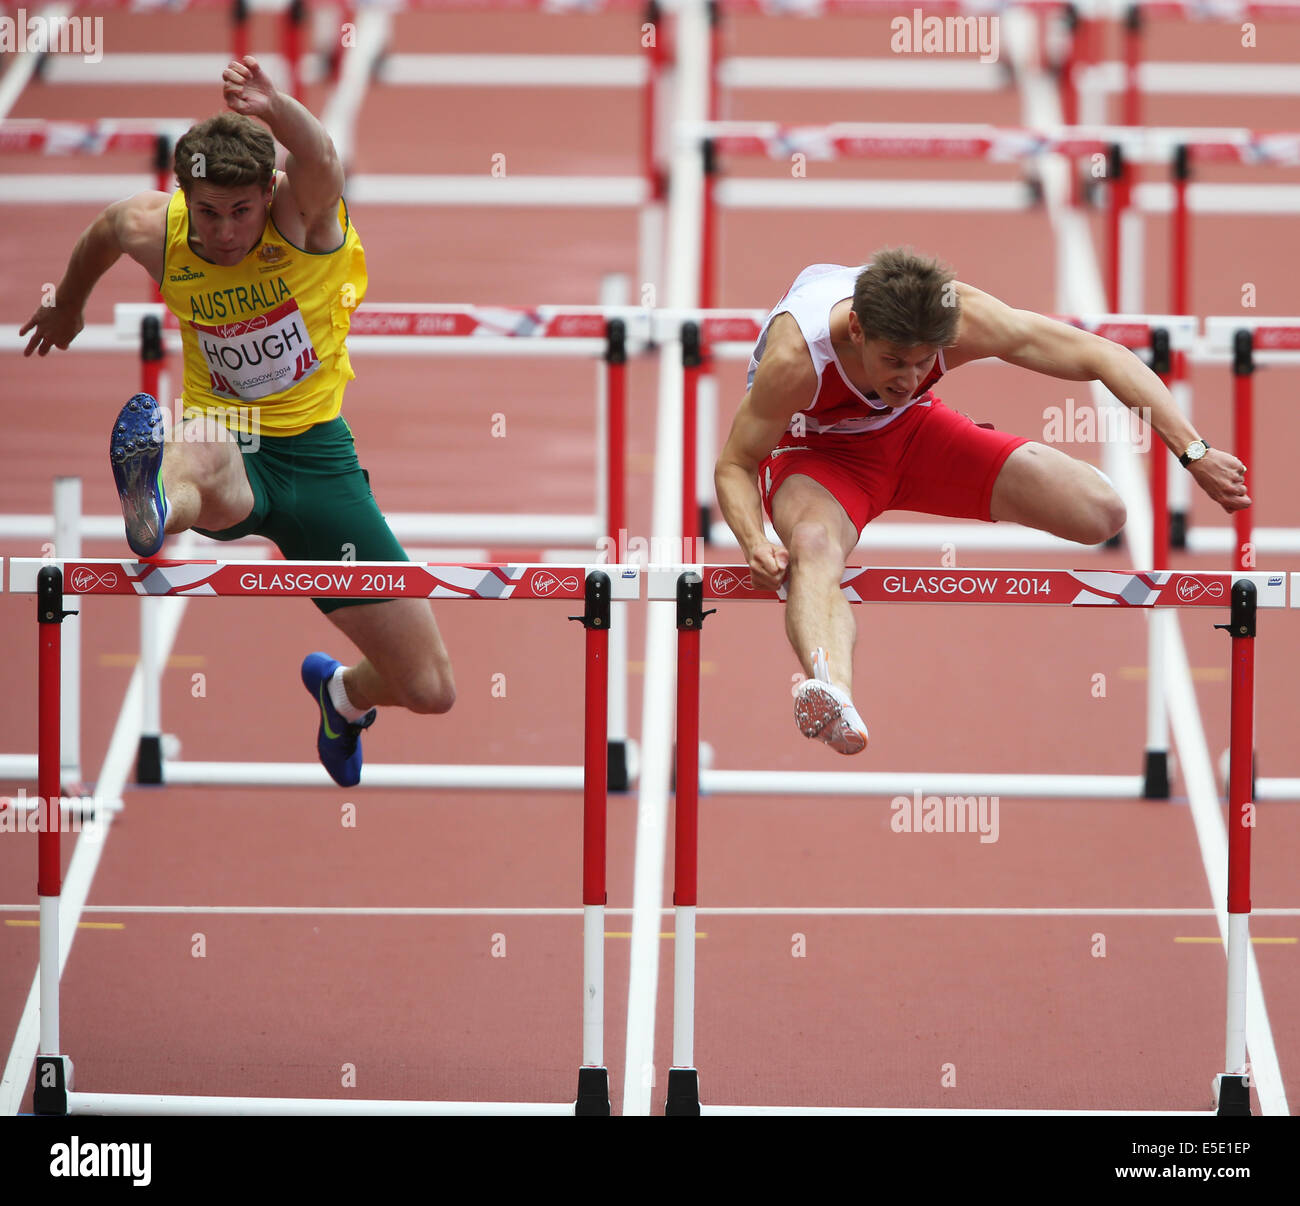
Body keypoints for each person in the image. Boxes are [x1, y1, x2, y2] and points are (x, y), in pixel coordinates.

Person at [20, 56, 455, 787]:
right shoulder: (156, 227)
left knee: (430, 688)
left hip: (318, 457)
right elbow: (105, 229)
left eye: (241, 211)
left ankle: (341, 695)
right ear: (186, 194)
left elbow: (320, 155)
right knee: (198, 453)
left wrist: (277, 107)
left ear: (269, 193)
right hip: (228, 439)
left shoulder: (304, 218)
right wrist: (68, 304)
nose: (224, 233)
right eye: (210, 211)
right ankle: (155, 507)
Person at [714, 251, 1251, 755]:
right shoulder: (797, 358)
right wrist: (754, 541)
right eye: (894, 361)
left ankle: (1011, 461)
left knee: (1101, 514)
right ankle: (834, 693)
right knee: (812, 547)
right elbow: (735, 463)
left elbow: (1100, 354)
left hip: (913, 433)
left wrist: (1193, 451)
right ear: (857, 330)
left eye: (924, 363)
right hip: (816, 455)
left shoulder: (963, 316)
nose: (908, 377)